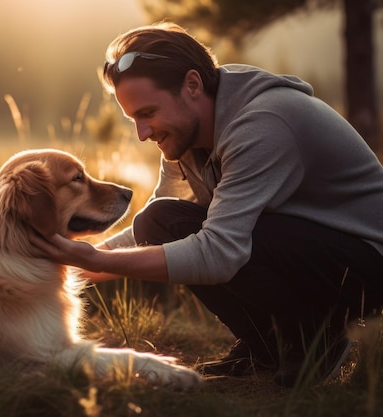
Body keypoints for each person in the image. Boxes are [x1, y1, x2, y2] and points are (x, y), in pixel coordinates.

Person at [31, 22, 383, 387]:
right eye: (134, 119)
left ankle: (315, 338)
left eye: (147, 113)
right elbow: (152, 229)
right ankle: (266, 345)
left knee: (210, 240)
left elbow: (218, 252)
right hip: (305, 245)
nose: (143, 133)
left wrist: (97, 260)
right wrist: (72, 263)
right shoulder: (186, 134)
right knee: (160, 220)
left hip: (366, 262)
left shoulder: (263, 123)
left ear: (193, 85)